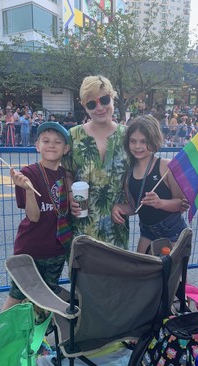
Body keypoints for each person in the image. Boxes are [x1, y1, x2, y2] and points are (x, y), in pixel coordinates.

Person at [2, 122, 72, 310]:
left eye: (58, 142)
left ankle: (37, 336)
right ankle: (0, 334)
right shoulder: (28, 174)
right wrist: (29, 191)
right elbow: (33, 216)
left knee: (46, 297)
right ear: (37, 145)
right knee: (16, 297)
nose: (51, 145)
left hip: (56, 250)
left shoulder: (66, 175)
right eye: (46, 140)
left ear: (65, 149)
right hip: (30, 250)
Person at [62, 75, 129, 249]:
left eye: (104, 100)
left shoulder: (128, 136)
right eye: (92, 104)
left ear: (112, 98)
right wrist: (70, 194)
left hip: (116, 229)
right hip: (82, 228)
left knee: (117, 275)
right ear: (85, 106)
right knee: (84, 275)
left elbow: (142, 172)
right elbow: (66, 171)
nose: (99, 107)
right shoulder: (73, 136)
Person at [112, 114, 189, 254]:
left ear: (154, 141)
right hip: (147, 232)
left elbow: (180, 203)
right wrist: (118, 208)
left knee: (171, 274)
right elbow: (135, 207)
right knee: (140, 270)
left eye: (143, 141)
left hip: (173, 232)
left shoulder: (166, 167)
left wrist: (160, 203)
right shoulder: (128, 173)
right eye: (133, 141)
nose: (137, 146)